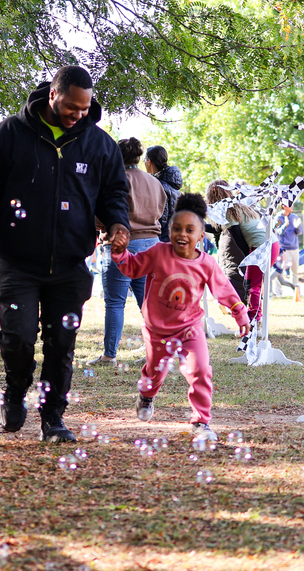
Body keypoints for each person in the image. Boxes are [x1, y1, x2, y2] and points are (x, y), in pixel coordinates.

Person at [0, 65, 130, 443]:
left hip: (71, 265)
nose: (78, 115)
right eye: (72, 107)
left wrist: (119, 224)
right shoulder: (8, 135)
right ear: (53, 95)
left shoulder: (100, 145)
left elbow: (115, 194)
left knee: (61, 346)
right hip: (19, 263)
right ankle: (16, 390)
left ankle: (53, 419)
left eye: (85, 109)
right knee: (17, 338)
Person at [112, 193, 249, 441]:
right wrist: (120, 253)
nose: (182, 234)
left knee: (200, 370)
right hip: (157, 330)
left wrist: (240, 314)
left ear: (200, 235)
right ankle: (147, 395)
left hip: (190, 329)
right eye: (176, 229)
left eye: (189, 230)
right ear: (169, 230)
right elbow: (132, 267)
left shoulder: (206, 263)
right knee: (154, 373)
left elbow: (224, 291)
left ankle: (201, 422)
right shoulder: (158, 253)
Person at [88, 137, 166, 366]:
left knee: (115, 302)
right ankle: (157, 352)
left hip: (120, 244)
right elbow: (161, 210)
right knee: (148, 304)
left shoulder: (116, 180)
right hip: (151, 245)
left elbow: (100, 215)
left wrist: (100, 226)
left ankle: (109, 355)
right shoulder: (154, 182)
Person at [204, 179, 273, 321]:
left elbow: (238, 237)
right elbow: (219, 229)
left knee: (253, 288)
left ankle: (254, 323)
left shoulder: (228, 211)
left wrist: (248, 257)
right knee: (253, 286)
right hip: (269, 244)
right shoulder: (236, 207)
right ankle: (253, 320)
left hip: (260, 247)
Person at [144, 145, 183, 242]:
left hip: (164, 239)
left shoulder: (158, 184)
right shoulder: (174, 183)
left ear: (149, 161)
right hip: (176, 235)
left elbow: (161, 219)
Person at [273, 206, 302, 294]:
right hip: (283, 249)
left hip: (294, 248)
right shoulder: (278, 218)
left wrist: (297, 227)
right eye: (290, 205)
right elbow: (277, 232)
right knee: (279, 272)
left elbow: (300, 232)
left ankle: (295, 291)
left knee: (295, 271)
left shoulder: (295, 217)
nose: (292, 206)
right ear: (284, 206)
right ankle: (278, 292)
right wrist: (285, 226)